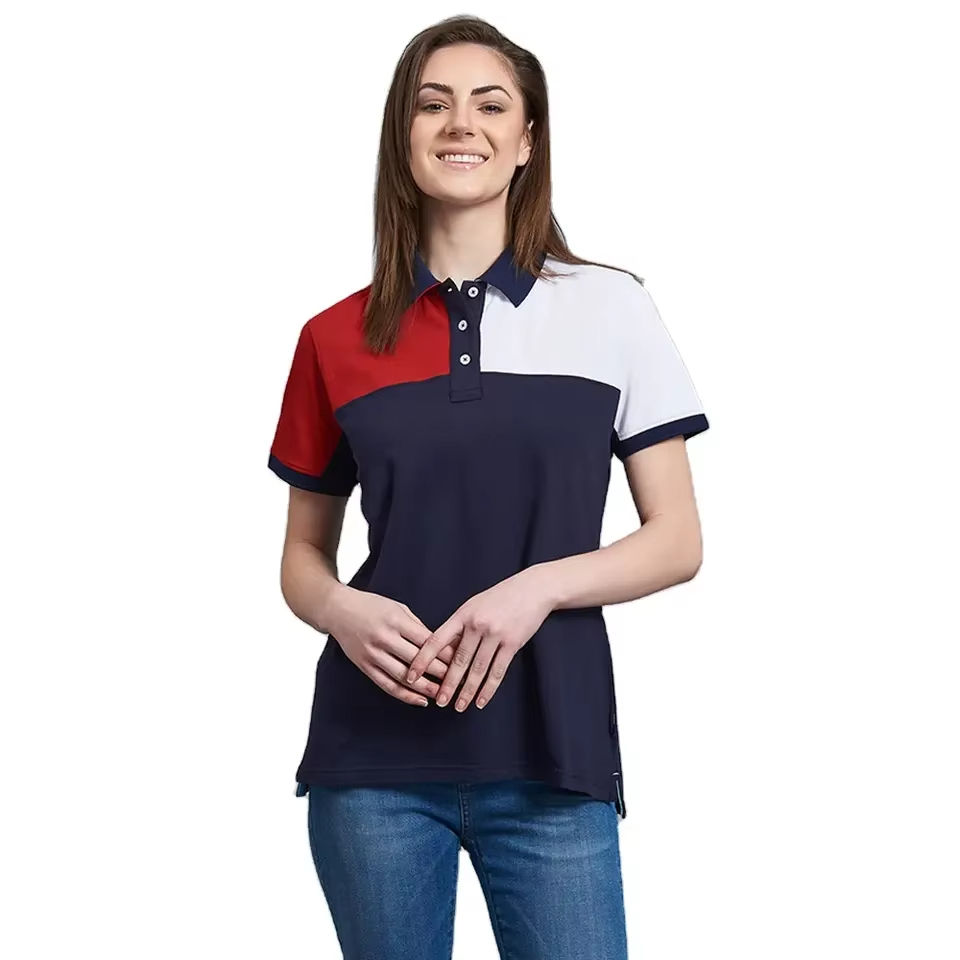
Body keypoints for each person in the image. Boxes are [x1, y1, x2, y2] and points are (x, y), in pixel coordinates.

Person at [266, 15, 709, 960]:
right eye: (433, 104)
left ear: (526, 140)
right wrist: (341, 609)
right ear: (404, 133)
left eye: (490, 105)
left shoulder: (612, 308)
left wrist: (536, 589)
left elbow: (677, 540)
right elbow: (302, 557)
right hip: (371, 764)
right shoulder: (332, 337)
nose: (461, 123)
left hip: (552, 756)